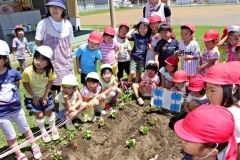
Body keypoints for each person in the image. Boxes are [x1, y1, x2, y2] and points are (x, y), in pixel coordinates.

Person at [0, 40, 42, 160]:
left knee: (25, 128)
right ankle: (19, 154)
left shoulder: (13, 73)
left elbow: (17, 86)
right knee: (10, 135)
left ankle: (34, 144)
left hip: (16, 109)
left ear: (5, 59)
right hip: (1, 114)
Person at [35, 0, 74, 96]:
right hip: (50, 60)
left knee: (66, 83)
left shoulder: (67, 23)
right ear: (48, 8)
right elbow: (38, 40)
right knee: (50, 82)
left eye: (58, 7)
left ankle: (64, 102)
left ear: (63, 9)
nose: (55, 9)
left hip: (65, 59)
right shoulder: (43, 23)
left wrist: (68, 54)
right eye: (52, 6)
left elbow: (70, 42)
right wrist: (45, 53)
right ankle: (52, 104)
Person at [202, 62, 240, 159]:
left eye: (212, 90)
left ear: (232, 89)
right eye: (206, 89)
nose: (208, 95)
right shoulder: (215, 106)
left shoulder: (233, 117)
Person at [22, 46, 59, 143]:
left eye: (43, 60)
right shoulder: (27, 71)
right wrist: (34, 95)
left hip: (45, 94)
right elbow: (25, 84)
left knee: (49, 112)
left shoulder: (49, 70)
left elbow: (50, 81)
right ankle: (43, 131)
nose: (38, 62)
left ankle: (52, 128)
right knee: (39, 114)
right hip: (32, 96)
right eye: (37, 58)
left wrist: (46, 95)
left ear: (48, 62)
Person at [128, 18, 150, 83]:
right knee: (132, 72)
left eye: (144, 28)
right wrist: (134, 29)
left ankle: (135, 84)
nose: (142, 30)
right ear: (138, 28)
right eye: (140, 28)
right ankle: (128, 85)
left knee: (139, 74)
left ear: (147, 29)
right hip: (134, 58)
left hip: (142, 59)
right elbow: (127, 36)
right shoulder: (135, 36)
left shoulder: (148, 37)